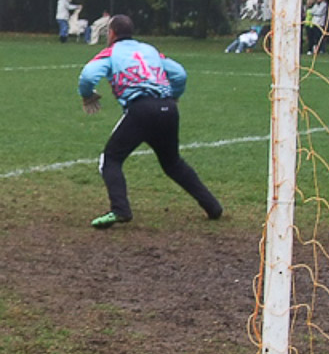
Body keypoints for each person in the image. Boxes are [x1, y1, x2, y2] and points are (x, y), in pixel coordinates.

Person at [78, 13, 223, 229]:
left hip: (141, 110)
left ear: (112, 33)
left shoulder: (111, 52)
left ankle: (120, 209)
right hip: (168, 108)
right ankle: (213, 207)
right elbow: (180, 74)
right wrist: (174, 96)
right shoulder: (149, 50)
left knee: (111, 159)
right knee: (173, 163)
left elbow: (88, 76)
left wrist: (87, 95)